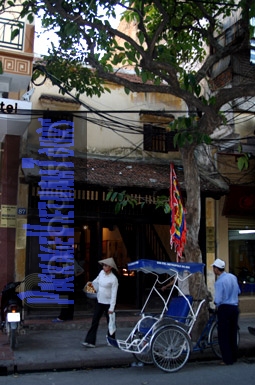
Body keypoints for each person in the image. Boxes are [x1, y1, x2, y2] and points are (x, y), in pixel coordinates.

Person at [82, 257, 119, 348]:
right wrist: (89, 288)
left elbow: (114, 294)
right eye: (103, 265)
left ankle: (111, 341)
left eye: (105, 265)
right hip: (99, 301)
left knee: (110, 323)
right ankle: (90, 341)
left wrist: (111, 308)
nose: (104, 267)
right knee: (94, 321)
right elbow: (96, 282)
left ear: (110, 267)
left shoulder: (113, 279)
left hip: (108, 303)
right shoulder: (101, 273)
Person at [211, 258, 240, 365]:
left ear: (216, 269)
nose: (213, 270)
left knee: (223, 335)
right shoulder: (233, 277)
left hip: (224, 309)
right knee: (232, 333)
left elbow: (218, 299)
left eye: (213, 268)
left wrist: (214, 303)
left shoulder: (219, 282)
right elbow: (238, 291)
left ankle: (226, 359)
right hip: (234, 308)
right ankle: (234, 356)